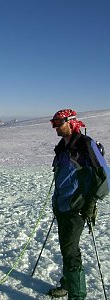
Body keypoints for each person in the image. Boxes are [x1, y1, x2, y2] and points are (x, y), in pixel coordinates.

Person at [49, 109, 109, 299]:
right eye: (53, 123)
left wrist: (91, 203)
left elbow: (105, 178)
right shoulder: (61, 148)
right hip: (62, 206)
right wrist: (56, 202)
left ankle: (77, 295)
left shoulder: (86, 144)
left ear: (71, 122)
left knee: (70, 251)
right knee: (66, 249)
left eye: (58, 122)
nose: (55, 127)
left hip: (78, 207)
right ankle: (67, 284)